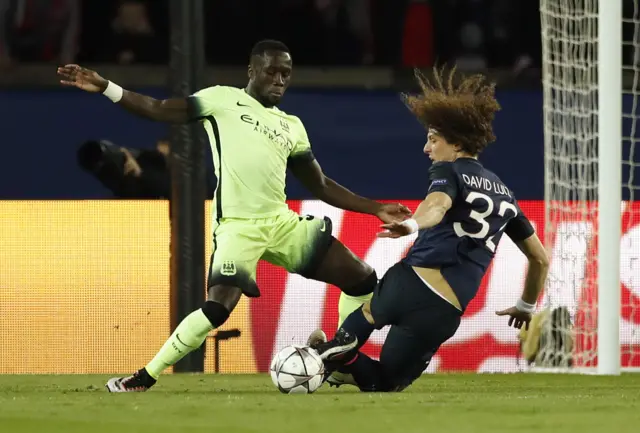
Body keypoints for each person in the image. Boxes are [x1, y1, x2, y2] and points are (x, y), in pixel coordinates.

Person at [57, 39, 411, 392]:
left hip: (281, 224)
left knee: (364, 281)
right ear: (252, 71)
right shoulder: (222, 99)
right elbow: (160, 108)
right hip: (238, 228)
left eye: (285, 73)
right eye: (271, 71)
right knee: (217, 309)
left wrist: (375, 208)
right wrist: (106, 86)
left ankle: (335, 359)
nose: (279, 79)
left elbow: (319, 185)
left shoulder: (292, 126)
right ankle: (144, 376)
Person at [309, 67, 550, 392]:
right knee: (386, 384)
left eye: (433, 140)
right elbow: (540, 259)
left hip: (409, 283)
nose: (427, 148)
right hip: (444, 310)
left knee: (353, 332)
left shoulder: (448, 171)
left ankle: (325, 354)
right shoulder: (506, 195)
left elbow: (436, 205)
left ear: (457, 144)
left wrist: (410, 224)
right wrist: (525, 306)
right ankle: (334, 357)